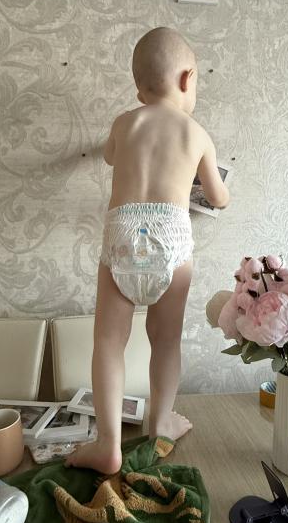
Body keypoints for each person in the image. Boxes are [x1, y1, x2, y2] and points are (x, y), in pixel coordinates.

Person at [66, 27, 230, 474]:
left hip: (124, 233)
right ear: (187, 78)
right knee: (166, 339)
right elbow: (218, 198)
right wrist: (214, 188)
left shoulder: (125, 123)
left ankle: (107, 443)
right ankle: (160, 423)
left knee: (108, 341)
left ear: (139, 88)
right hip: (170, 239)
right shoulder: (196, 134)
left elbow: (109, 157)